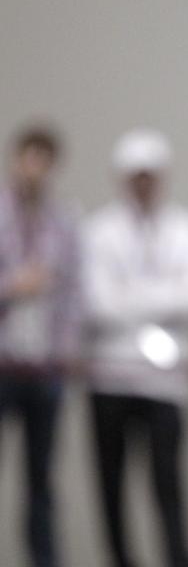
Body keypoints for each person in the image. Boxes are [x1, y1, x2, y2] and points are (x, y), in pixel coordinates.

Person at [82, 129, 188, 567]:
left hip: (166, 383)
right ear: (122, 178)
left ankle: (177, 558)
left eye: (150, 175)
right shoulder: (98, 231)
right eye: (136, 176)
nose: (143, 184)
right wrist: (162, 296)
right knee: (111, 485)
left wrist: (131, 294)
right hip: (109, 376)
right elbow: (96, 302)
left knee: (169, 484)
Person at [0, 125, 83, 567]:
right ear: (16, 159)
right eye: (28, 157)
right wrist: (14, 286)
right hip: (3, 361)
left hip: (44, 365)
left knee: (41, 478)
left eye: (43, 160)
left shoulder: (63, 221)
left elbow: (73, 294)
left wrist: (64, 355)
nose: (34, 169)